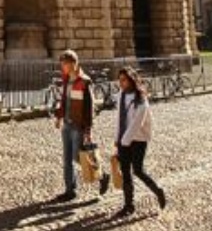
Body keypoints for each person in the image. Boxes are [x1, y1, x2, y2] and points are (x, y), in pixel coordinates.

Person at [52, 49, 105, 201]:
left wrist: (88, 130)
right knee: (67, 158)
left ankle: (102, 176)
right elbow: (64, 100)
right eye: (62, 64)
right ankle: (70, 190)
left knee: (78, 157)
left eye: (65, 64)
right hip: (67, 124)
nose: (63, 67)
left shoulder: (84, 82)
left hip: (78, 125)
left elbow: (89, 108)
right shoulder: (66, 79)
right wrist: (59, 117)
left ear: (74, 64)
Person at [113, 67, 166, 217]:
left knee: (138, 170)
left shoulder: (141, 99)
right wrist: (117, 139)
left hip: (139, 139)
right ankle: (129, 205)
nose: (121, 83)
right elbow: (119, 119)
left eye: (124, 80)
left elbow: (138, 122)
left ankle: (157, 190)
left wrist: (124, 140)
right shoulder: (120, 96)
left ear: (131, 80)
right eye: (120, 80)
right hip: (124, 139)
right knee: (125, 173)